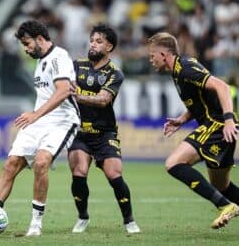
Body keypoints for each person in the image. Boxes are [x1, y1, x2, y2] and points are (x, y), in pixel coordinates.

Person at [0, 20, 80, 236]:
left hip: (63, 121)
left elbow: (64, 90)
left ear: (40, 39)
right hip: (39, 121)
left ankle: (36, 224)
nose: (26, 49)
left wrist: (35, 114)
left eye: (27, 43)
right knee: (11, 164)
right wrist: (36, 117)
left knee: (41, 161)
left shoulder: (59, 57)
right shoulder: (40, 62)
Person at [147, 32, 239, 229]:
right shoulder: (178, 72)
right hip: (218, 127)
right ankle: (227, 201)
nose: (150, 59)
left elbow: (222, 86)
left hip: (218, 125)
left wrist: (229, 119)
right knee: (221, 186)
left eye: (152, 55)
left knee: (173, 163)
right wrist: (182, 119)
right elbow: (199, 100)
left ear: (164, 54)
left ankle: (225, 206)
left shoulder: (185, 68)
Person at [68, 24, 141, 234]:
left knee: (114, 173)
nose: (93, 44)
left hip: (104, 132)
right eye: (92, 40)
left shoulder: (115, 73)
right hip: (79, 132)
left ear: (109, 46)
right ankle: (82, 217)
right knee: (79, 171)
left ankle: (129, 221)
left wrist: (77, 96)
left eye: (98, 41)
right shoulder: (76, 65)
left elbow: (103, 100)